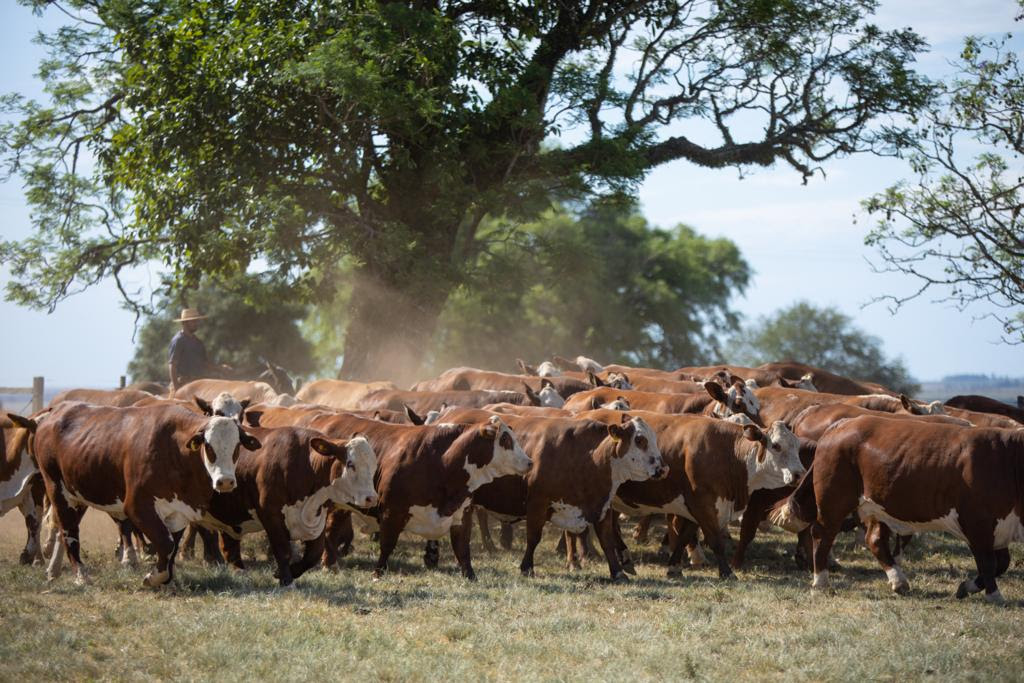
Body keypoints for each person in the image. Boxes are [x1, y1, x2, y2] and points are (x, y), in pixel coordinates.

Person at [167, 308, 230, 393]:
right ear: (184, 323)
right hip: (182, 385)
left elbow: (205, 363)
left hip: (198, 385)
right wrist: (177, 389)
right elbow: (172, 366)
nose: (196, 324)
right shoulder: (178, 340)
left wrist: (220, 368)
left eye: (197, 321)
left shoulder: (198, 342)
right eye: (193, 321)